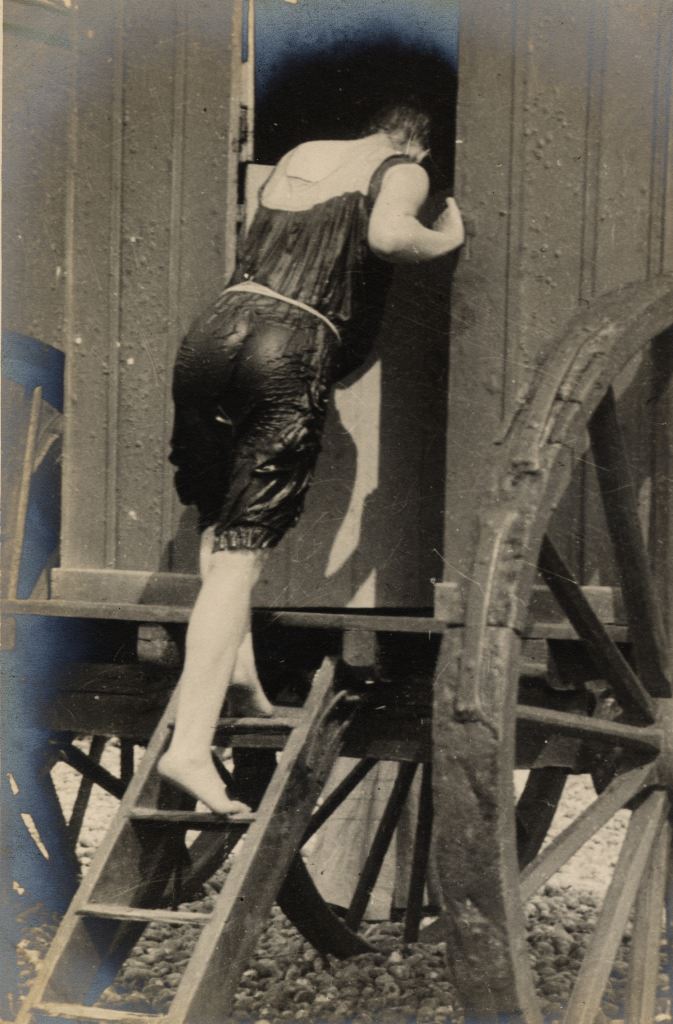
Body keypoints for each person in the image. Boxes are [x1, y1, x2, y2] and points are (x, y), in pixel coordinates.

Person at [158, 104, 465, 814]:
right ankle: (190, 748)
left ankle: (239, 675)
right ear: (414, 137)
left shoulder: (303, 149)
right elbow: (389, 237)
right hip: (288, 342)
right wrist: (444, 234)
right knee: (243, 553)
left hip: (213, 332)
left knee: (216, 517)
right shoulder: (403, 167)